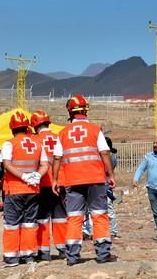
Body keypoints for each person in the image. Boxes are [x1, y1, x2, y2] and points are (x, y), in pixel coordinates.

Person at [52, 95, 116, 265]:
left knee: (74, 217)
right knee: (99, 215)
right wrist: (110, 174)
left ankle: (72, 256)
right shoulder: (96, 130)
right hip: (95, 178)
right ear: (86, 110)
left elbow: (57, 158)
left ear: (70, 112)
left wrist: (55, 179)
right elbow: (104, 152)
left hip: (73, 180)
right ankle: (103, 254)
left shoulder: (63, 133)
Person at [0, 110, 48, 267]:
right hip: (33, 190)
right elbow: (44, 165)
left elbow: (7, 164)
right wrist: (37, 176)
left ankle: (11, 257)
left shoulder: (9, 144)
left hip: (14, 190)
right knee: (29, 223)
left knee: (12, 224)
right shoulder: (37, 143)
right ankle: (28, 255)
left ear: (12, 129)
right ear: (28, 127)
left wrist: (22, 176)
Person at [30, 109, 67, 260]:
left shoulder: (34, 140)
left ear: (34, 125)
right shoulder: (59, 137)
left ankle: (43, 251)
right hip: (61, 182)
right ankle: (64, 248)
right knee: (61, 217)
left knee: (42, 218)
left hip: (43, 183)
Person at [105, 137, 119, 238]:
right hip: (103, 185)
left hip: (105, 186)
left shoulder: (110, 158)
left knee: (109, 210)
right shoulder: (110, 156)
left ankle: (113, 231)